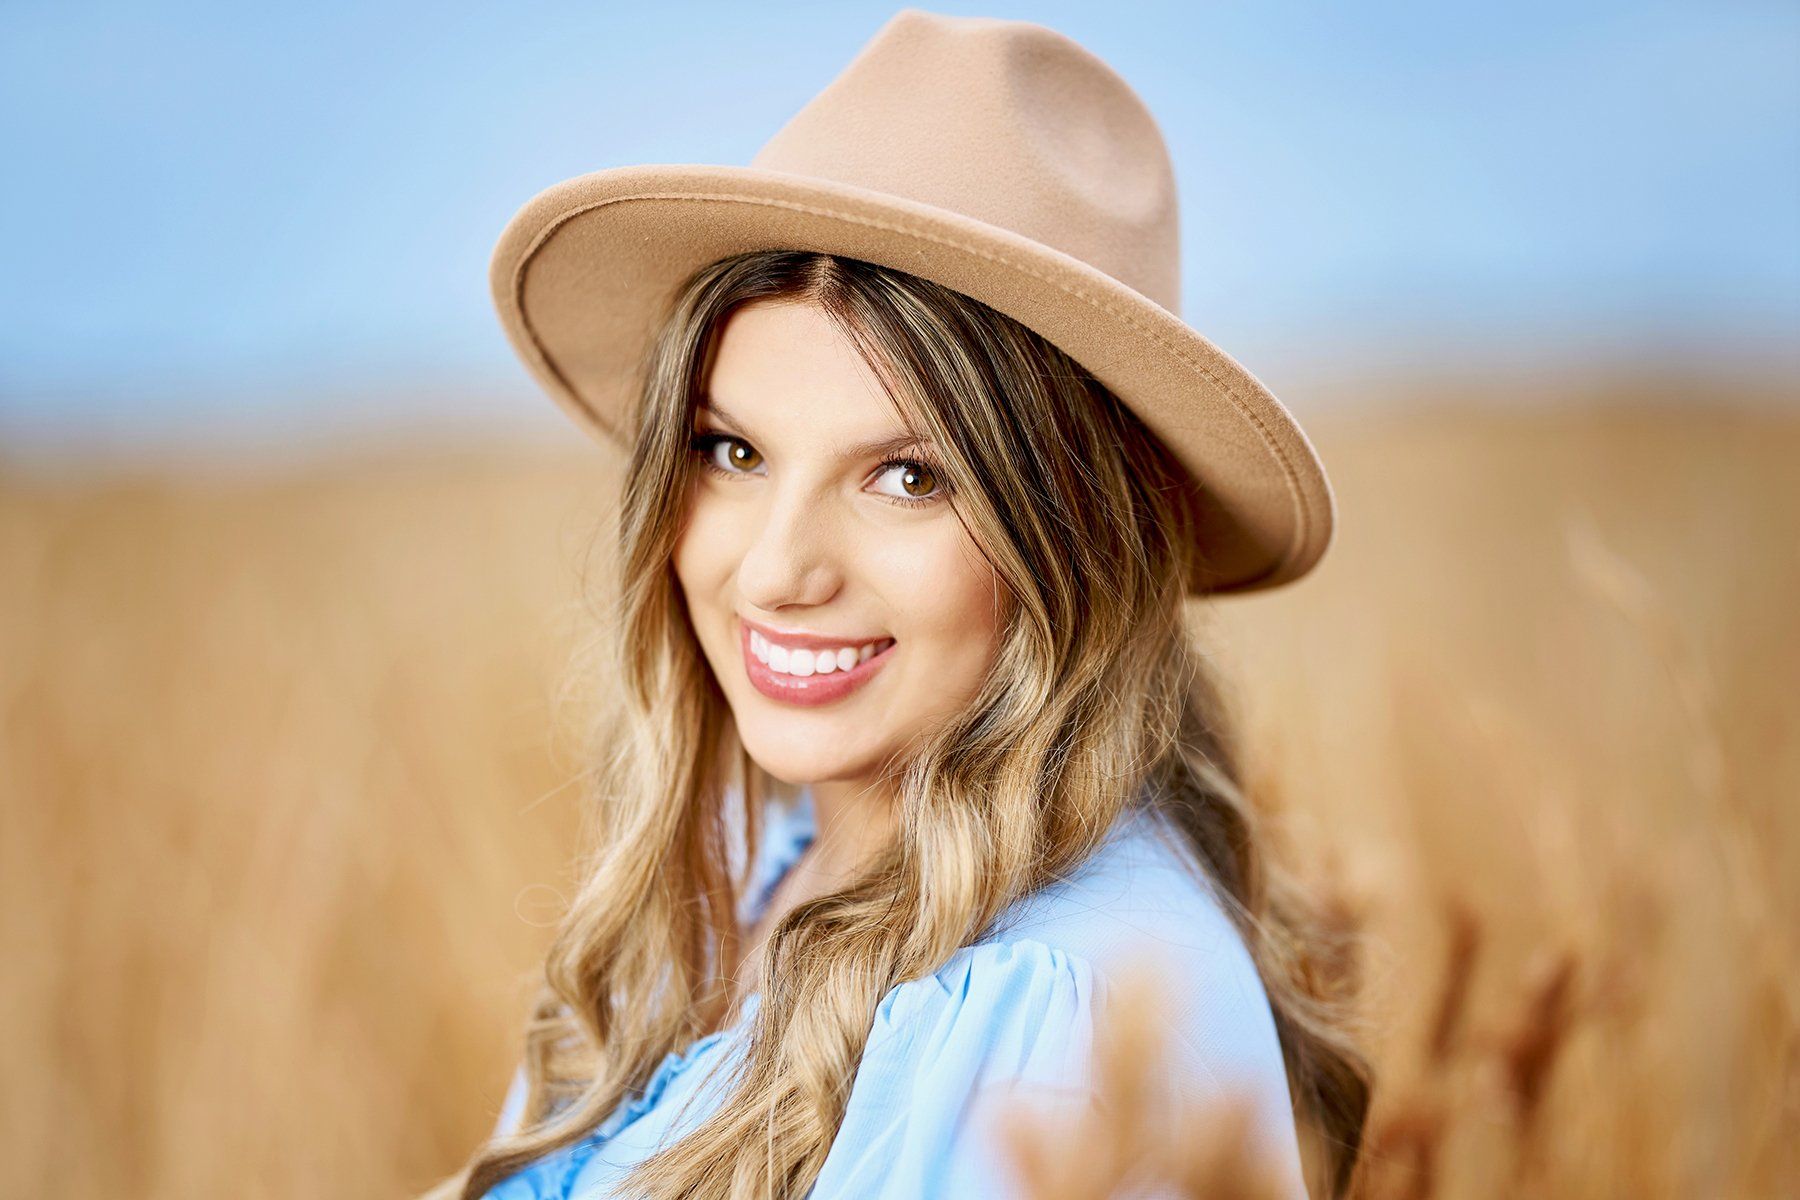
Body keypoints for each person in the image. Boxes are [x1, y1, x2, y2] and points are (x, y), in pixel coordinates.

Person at [433, 9, 1370, 1199]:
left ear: (1079, 532)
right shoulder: (735, 877)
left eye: (908, 477)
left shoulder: (1058, 1025)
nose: (777, 571)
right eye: (732, 454)